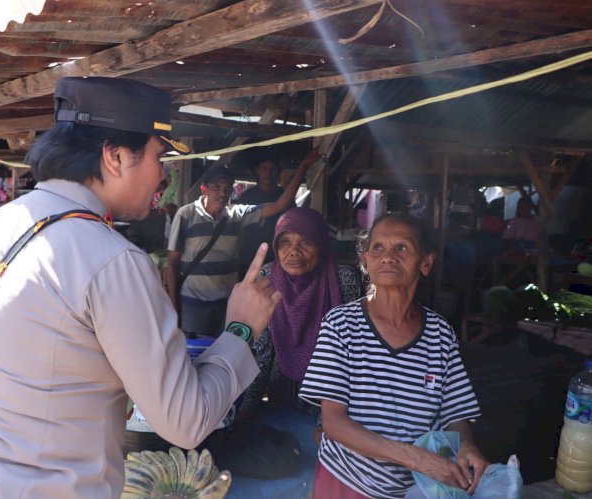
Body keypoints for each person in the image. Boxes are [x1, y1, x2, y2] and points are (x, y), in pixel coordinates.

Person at [0, 77, 281, 498]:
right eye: (159, 156)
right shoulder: (113, 261)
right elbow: (185, 421)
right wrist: (241, 330)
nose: (164, 175)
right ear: (116, 156)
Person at [299, 213, 488, 498]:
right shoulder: (340, 325)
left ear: (426, 262)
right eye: (378, 248)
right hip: (348, 481)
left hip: (416, 488)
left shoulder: (440, 333)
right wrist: (420, 460)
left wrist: (466, 446)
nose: (387, 256)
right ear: (366, 261)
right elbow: (333, 423)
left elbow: (455, 413)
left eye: (402, 247)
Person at [167, 151, 319, 338]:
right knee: (192, 356)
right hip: (193, 305)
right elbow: (172, 264)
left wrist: (303, 166)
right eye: (216, 187)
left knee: (223, 353)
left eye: (227, 188)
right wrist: (173, 305)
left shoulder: (236, 215)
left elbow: (280, 204)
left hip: (227, 304)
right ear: (204, 189)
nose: (222, 193)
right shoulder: (185, 215)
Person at [239, 207, 361, 418]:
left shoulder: (343, 279)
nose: (293, 251)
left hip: (330, 392)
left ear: (321, 244)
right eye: (285, 242)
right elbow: (263, 350)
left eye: (305, 242)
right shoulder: (268, 276)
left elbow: (353, 351)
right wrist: (247, 409)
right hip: (281, 384)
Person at [238, 157, 284, 277]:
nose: (268, 173)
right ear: (257, 171)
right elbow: (239, 229)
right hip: (249, 258)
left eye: (272, 169)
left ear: (278, 172)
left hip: (278, 258)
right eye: (264, 168)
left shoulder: (284, 196)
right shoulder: (247, 197)